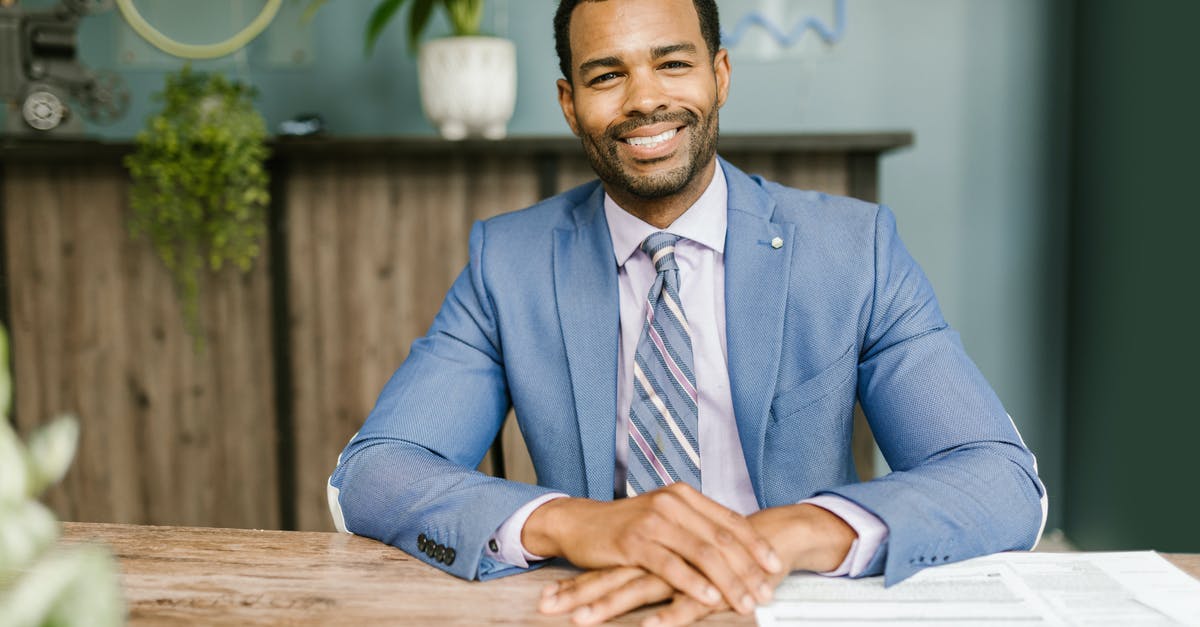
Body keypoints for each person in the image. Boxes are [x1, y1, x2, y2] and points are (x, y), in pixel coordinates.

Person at [327, 0, 1047, 624]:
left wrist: (791, 531)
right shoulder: (507, 263)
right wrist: (579, 524)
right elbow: (372, 473)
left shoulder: (854, 251)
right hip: (593, 606)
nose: (644, 100)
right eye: (607, 74)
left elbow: (1002, 480)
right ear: (569, 102)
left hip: (791, 602)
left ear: (720, 76)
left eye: (672, 63)